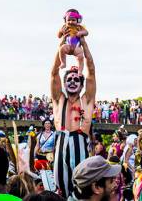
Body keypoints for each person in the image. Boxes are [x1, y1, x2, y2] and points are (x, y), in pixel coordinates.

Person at [50, 36, 97, 197]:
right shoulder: (58, 99)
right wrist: (61, 46)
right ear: (64, 83)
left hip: (80, 140)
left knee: (81, 188)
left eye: (76, 79)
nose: (72, 81)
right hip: (62, 140)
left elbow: (91, 70)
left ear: (81, 84)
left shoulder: (86, 100)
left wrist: (83, 43)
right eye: (68, 79)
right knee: (61, 189)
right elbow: (54, 72)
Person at [58, 9, 89, 74]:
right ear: (65, 21)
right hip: (68, 46)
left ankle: (80, 70)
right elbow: (58, 36)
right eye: (68, 20)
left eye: (73, 20)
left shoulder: (80, 27)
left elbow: (86, 32)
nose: (71, 22)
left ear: (78, 20)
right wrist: (61, 31)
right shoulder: (64, 27)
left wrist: (81, 32)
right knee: (62, 49)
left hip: (76, 47)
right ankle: (63, 63)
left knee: (80, 56)